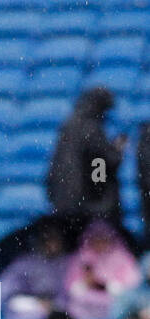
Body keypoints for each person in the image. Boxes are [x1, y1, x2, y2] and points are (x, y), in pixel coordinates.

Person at [46, 87, 125, 225]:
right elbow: (101, 165)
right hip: (85, 206)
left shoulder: (69, 126)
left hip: (63, 202)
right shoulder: (91, 128)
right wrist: (117, 149)